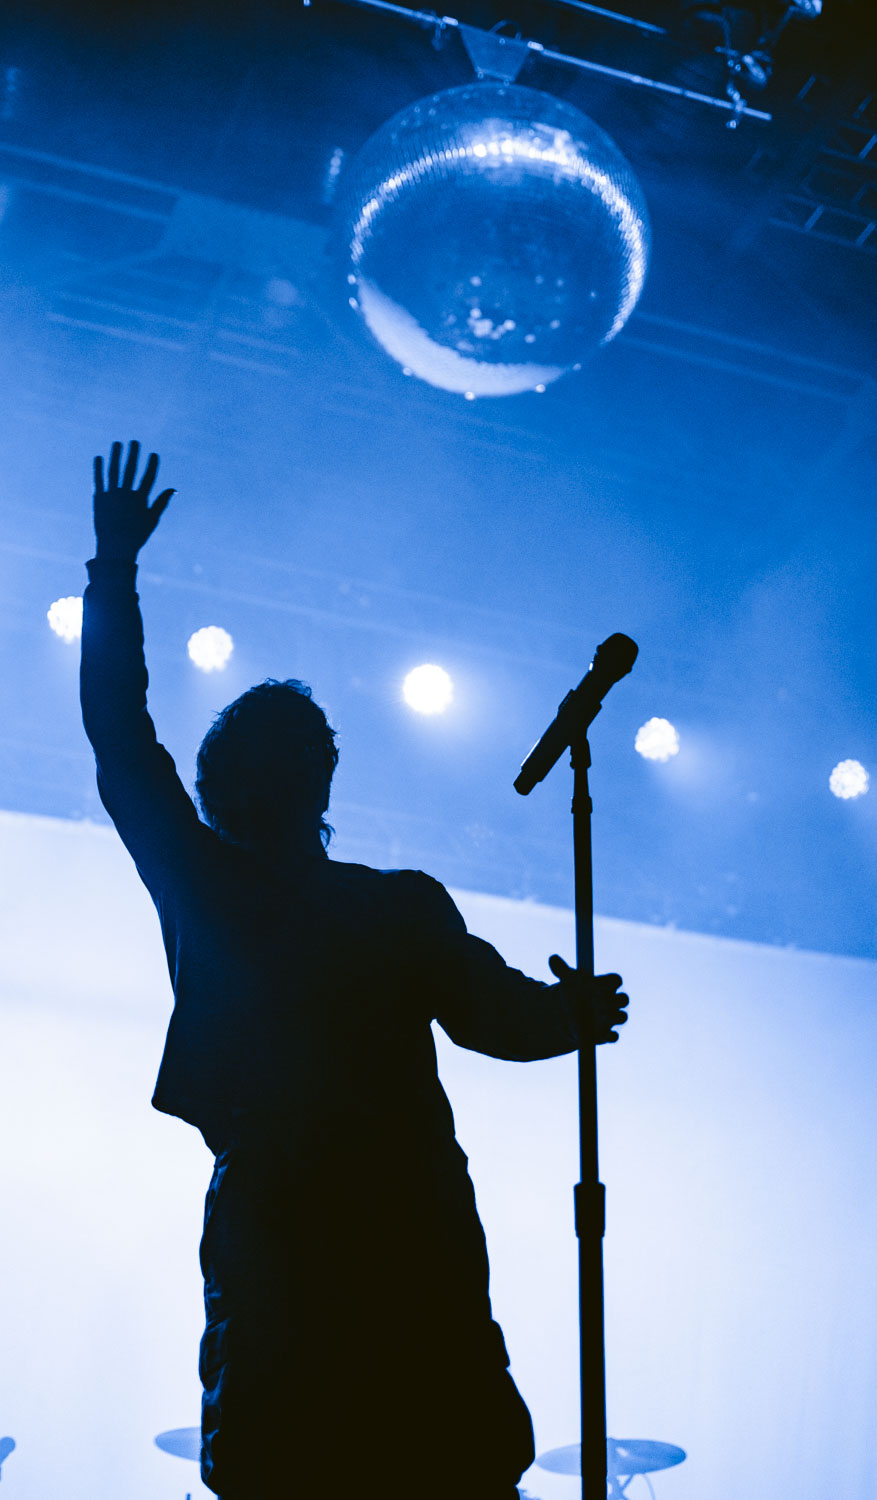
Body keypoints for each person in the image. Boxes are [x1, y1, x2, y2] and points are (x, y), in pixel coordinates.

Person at [80, 440, 628, 1500]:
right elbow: (498, 1018)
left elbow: (119, 735)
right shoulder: (388, 904)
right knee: (442, 1456)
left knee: (295, 1455)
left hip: (291, 1228)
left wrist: (114, 568)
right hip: (406, 1225)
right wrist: (568, 1013)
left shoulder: (217, 885)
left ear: (220, 787)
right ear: (318, 777)